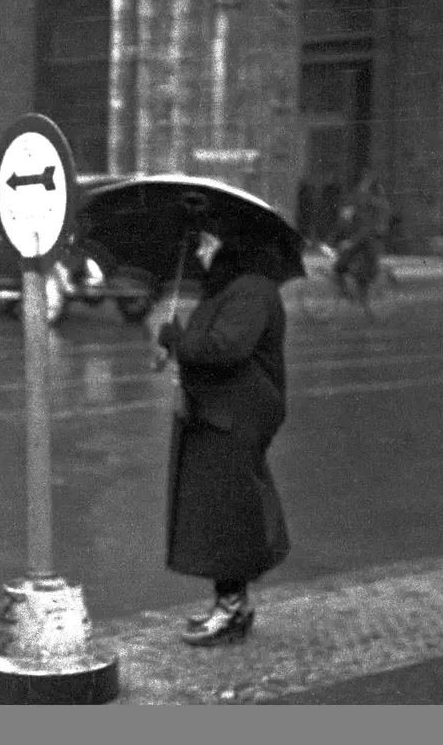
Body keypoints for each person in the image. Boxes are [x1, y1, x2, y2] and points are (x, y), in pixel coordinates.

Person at [155, 230, 292, 647]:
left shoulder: (251, 290)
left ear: (229, 244)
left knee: (228, 511)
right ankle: (232, 604)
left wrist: (179, 342)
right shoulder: (228, 289)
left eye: (206, 242)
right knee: (221, 510)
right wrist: (175, 341)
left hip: (235, 415)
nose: (199, 251)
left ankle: (231, 609)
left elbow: (226, 348)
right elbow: (206, 345)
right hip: (216, 413)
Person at [330, 173, 391, 316]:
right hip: (361, 242)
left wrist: (350, 242)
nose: (362, 190)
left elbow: (368, 229)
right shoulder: (365, 204)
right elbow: (348, 222)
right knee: (341, 267)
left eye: (365, 187)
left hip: (370, 244)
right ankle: (354, 297)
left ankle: (363, 303)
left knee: (360, 273)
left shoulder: (379, 207)